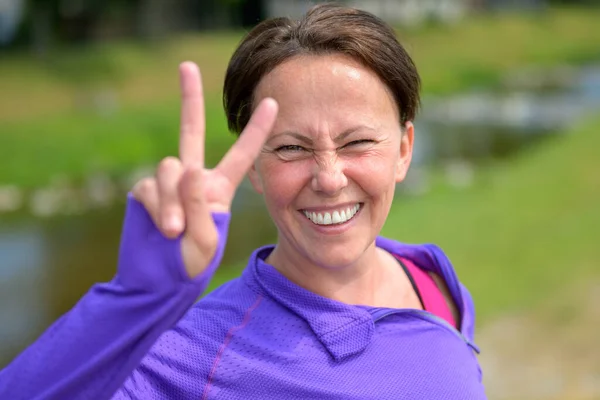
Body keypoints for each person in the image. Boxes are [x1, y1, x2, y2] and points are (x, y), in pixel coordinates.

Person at [0, 3, 485, 399]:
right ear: (252, 165)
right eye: (292, 148)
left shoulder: (430, 277)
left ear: (403, 149)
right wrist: (136, 299)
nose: (330, 179)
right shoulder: (197, 355)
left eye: (357, 142)